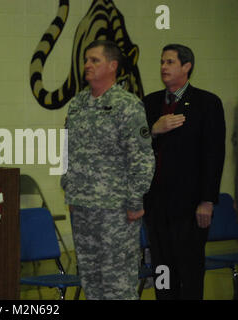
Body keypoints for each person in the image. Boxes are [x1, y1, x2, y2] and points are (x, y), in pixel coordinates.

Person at [61, 40, 155, 299]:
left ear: (112, 66)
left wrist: (135, 200)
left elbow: (142, 156)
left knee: (117, 283)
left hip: (115, 209)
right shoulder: (78, 104)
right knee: (91, 281)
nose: (87, 65)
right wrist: (69, 188)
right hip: (82, 207)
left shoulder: (127, 105)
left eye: (94, 60)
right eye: (85, 60)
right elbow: (67, 150)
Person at [143, 44, 225, 300]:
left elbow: (214, 155)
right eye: (161, 62)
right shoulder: (150, 103)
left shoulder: (206, 103)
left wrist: (207, 200)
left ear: (186, 66)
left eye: (169, 62)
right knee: (163, 270)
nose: (163, 67)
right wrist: (154, 129)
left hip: (190, 207)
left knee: (188, 272)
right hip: (156, 205)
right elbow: (135, 147)